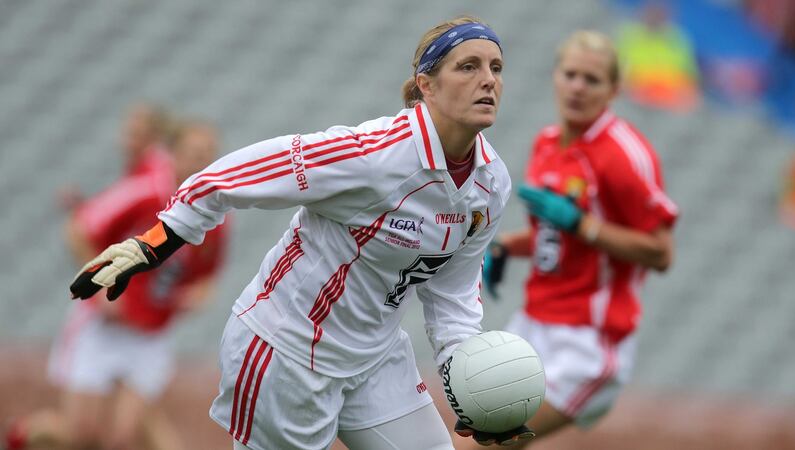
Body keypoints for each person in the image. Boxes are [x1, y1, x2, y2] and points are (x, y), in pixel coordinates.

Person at [66, 15, 534, 450]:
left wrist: (468, 384)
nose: (488, 79)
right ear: (426, 86)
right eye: (468, 66)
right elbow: (247, 170)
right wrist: (159, 240)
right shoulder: (376, 155)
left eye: (496, 67)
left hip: (377, 358)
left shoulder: (490, 184)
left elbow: (452, 294)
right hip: (285, 352)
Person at [463, 30, 678, 449]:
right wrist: (507, 244)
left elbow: (660, 252)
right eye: (571, 74)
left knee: (485, 444)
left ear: (613, 89)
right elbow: (556, 237)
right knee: (474, 433)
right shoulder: (547, 142)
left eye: (592, 80)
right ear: (556, 77)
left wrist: (583, 226)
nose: (578, 87)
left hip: (587, 342)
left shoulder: (622, 153)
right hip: (534, 323)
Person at [6, 120, 228, 450]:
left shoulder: (215, 213)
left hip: (150, 334)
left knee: (121, 438)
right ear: (173, 155)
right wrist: (101, 295)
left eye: (208, 154)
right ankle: (21, 435)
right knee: (82, 435)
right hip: (106, 329)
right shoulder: (147, 191)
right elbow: (79, 229)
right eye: (194, 153)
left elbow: (207, 272)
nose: (201, 161)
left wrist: (199, 294)